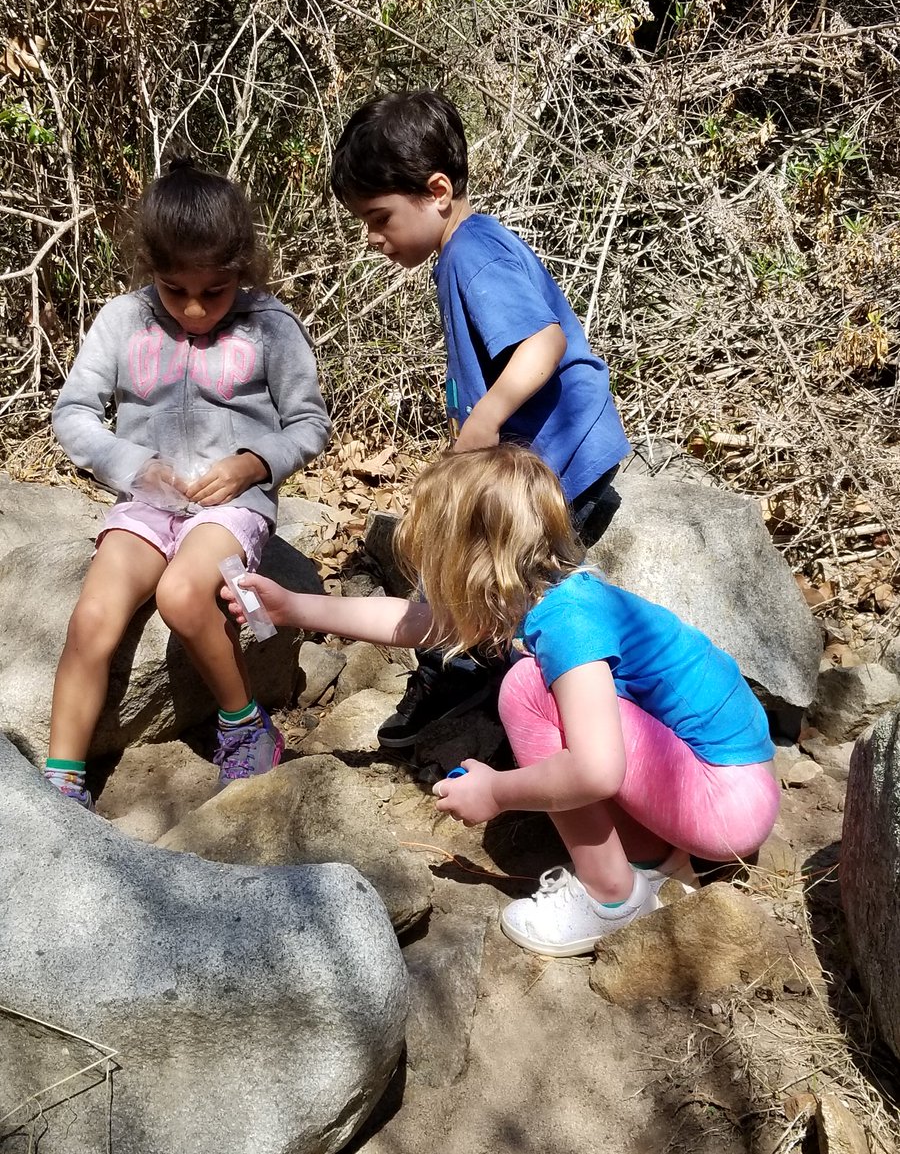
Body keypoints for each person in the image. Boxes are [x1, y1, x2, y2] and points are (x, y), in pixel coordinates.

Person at [221, 446, 780, 957]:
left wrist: (496, 792)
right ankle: (656, 861)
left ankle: (611, 896)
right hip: (718, 781)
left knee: (528, 690)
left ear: (475, 562)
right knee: (544, 690)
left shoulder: (566, 625)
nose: (428, 582)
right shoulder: (552, 595)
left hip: (721, 800)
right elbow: (416, 622)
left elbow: (598, 769)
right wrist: (293, 606)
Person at [330, 89, 631, 749]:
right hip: (541, 453)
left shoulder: (473, 250)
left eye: (379, 217)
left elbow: (543, 343)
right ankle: (461, 668)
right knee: (463, 551)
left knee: (485, 572)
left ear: (436, 191)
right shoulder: (463, 249)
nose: (372, 238)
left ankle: (466, 676)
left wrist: (487, 417)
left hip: (556, 454)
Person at [46, 157, 331, 808]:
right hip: (147, 502)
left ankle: (243, 723)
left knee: (181, 594)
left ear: (242, 270)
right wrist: (131, 466)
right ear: (151, 270)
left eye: (215, 291)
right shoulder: (122, 320)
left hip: (230, 507)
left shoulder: (271, 325)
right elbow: (75, 413)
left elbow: (310, 424)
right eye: (175, 291)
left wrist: (252, 463)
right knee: (92, 618)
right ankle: (60, 783)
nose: (196, 308)